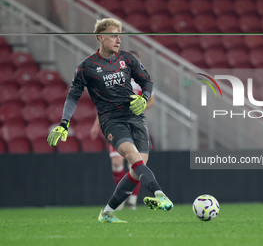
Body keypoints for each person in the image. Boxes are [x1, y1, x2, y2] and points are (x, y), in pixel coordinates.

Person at [47, 18, 173, 223]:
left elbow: (147, 81)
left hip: (135, 117)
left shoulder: (128, 59)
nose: (118, 40)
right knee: (132, 156)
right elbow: (73, 96)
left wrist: (144, 98)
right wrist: (64, 123)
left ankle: (106, 213)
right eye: (114, 35)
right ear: (100, 37)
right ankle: (160, 194)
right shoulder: (86, 67)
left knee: (136, 168)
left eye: (120, 36)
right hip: (112, 120)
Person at [90, 50, 155, 211]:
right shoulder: (114, 78)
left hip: (136, 124)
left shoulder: (142, 80)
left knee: (136, 164)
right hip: (117, 124)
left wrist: (140, 106)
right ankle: (121, 198)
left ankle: (131, 199)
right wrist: (96, 123)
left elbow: (151, 100)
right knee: (117, 161)